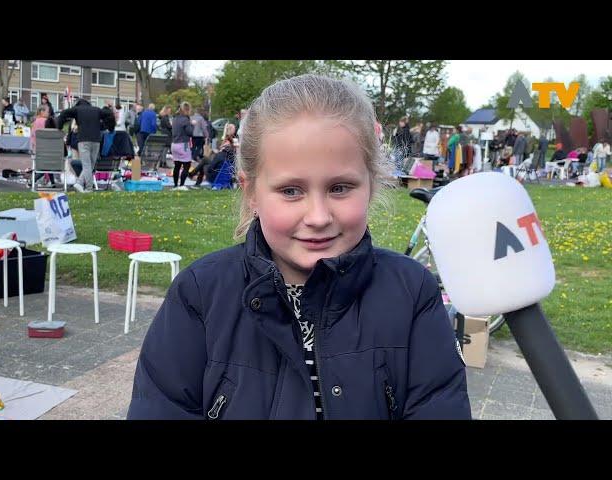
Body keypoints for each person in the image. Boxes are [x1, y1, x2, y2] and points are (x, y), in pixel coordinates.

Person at [127, 74, 471, 420]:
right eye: (291, 191)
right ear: (251, 193)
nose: (318, 216)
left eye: (340, 188)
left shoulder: (411, 294)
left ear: (372, 184)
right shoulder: (200, 295)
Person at [57, 98, 115, 193]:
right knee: (91, 165)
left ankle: (88, 188)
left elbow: (63, 113)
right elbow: (110, 114)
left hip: (83, 140)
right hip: (96, 140)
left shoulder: (77, 110)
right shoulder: (97, 110)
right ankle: (79, 183)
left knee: (87, 165)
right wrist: (110, 127)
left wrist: (59, 126)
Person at [170, 102, 193, 190]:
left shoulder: (175, 118)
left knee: (177, 165)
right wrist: (192, 124)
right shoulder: (185, 120)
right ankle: (182, 185)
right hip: (183, 144)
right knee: (187, 165)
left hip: (174, 144)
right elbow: (190, 132)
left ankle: (175, 185)